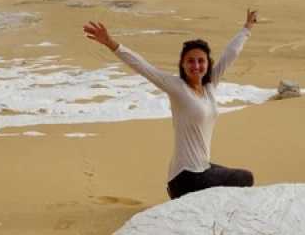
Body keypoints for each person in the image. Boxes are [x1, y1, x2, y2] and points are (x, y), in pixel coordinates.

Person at [83, 10, 258, 199]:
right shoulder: (177, 88)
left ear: (208, 64)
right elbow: (142, 66)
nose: (196, 66)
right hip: (186, 178)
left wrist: (247, 28)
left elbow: (230, 54)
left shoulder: (209, 86)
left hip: (202, 169)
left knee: (238, 178)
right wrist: (110, 43)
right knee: (244, 178)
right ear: (182, 64)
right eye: (190, 61)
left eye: (201, 61)